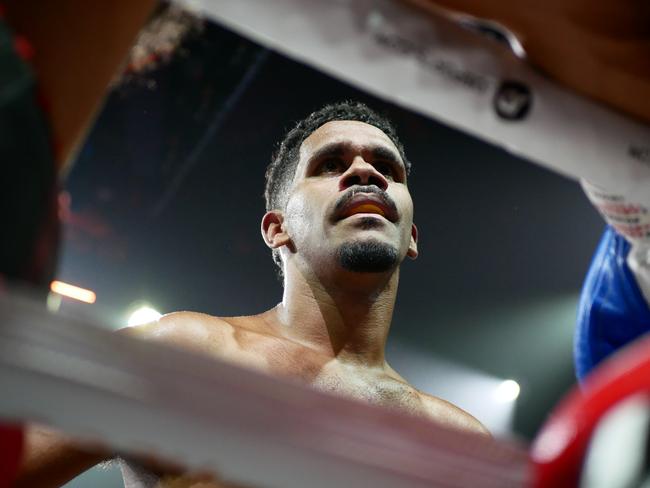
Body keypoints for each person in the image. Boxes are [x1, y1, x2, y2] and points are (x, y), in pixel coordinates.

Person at [16, 101, 489, 488]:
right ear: (277, 228)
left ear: (411, 237)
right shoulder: (187, 353)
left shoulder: (463, 444)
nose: (366, 173)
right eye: (330, 164)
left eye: (387, 167)